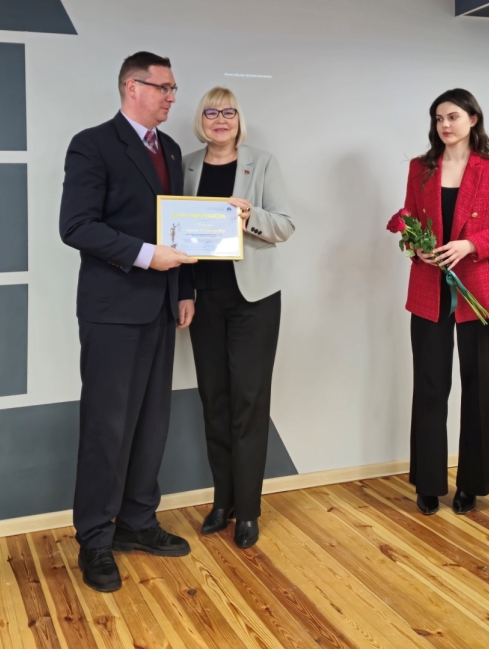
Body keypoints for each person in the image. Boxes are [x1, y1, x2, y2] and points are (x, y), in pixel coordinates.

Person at [59, 52, 196, 592]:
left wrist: (184, 290)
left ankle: (137, 522)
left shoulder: (171, 149)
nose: (171, 97)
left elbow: (178, 229)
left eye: (173, 88)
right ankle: (95, 538)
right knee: (106, 427)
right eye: (163, 87)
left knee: (151, 422)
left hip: (161, 307)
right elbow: (76, 226)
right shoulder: (92, 144)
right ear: (131, 87)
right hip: (112, 311)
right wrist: (144, 255)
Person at [396, 89, 489, 516]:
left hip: (479, 292)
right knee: (430, 386)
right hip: (429, 289)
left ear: (473, 119)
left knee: (476, 386)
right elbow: (409, 219)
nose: (444, 125)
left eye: (452, 116)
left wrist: (469, 245)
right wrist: (417, 247)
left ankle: (472, 483)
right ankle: (428, 483)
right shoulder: (421, 168)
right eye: (438, 118)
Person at [181, 87, 294, 549]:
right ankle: (222, 501)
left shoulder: (262, 163)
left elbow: (285, 225)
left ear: (238, 119)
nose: (220, 119)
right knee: (215, 401)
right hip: (203, 300)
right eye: (211, 112)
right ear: (201, 120)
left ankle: (248, 510)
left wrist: (250, 216)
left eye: (228, 111)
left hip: (254, 300)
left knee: (248, 403)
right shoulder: (186, 166)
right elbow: (174, 232)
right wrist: (183, 293)